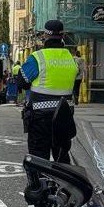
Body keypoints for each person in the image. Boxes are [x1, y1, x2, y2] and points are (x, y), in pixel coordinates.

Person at [18, 20, 79, 163]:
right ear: (63, 36)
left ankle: (40, 184)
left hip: (40, 116)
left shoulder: (38, 57)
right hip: (64, 116)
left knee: (38, 158)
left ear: (45, 36)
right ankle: (64, 184)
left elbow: (22, 81)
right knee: (62, 157)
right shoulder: (71, 59)